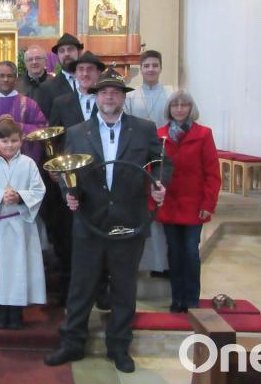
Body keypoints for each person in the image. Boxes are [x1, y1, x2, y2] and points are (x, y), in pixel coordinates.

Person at [43, 73, 171, 374]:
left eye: (115, 92)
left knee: (124, 289)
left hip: (129, 220)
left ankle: (119, 347)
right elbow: (66, 172)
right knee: (81, 287)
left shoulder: (143, 129)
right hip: (90, 221)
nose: (109, 97)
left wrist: (159, 183)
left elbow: (161, 163)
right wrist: (68, 194)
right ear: (95, 97)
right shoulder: (78, 132)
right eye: (103, 93)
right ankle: (72, 343)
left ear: (123, 97)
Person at [0, 118, 47, 329]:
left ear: (21, 141)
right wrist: (0, 196)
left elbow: (38, 190)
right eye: (4, 141)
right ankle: (0, 311)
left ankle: (16, 313)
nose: (9, 145)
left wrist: (20, 196)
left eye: (14, 141)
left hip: (21, 225)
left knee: (18, 269)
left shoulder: (28, 164)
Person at [46, 51, 104, 304]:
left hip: (100, 178)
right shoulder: (62, 102)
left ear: (98, 73)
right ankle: (69, 289)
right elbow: (54, 136)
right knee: (69, 236)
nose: (85, 74)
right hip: (70, 179)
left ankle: (101, 290)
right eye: (80, 70)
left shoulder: (108, 100)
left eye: (90, 69)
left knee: (99, 235)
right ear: (74, 74)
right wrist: (55, 165)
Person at [155, 91, 220, 313]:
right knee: (174, 252)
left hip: (194, 204)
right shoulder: (160, 135)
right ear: (169, 109)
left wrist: (208, 204)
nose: (180, 109)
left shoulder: (203, 134)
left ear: (191, 108)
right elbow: (154, 169)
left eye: (184, 105)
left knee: (191, 252)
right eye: (175, 105)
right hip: (170, 204)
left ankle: (192, 299)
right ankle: (177, 299)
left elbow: (212, 172)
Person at [125, 50, 174, 278]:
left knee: (163, 212)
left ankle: (163, 265)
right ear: (141, 68)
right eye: (147, 66)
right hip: (139, 157)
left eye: (155, 65)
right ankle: (145, 263)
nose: (151, 69)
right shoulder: (131, 96)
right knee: (145, 211)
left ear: (161, 68)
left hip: (165, 152)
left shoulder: (171, 93)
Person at [0, 60, 47, 164]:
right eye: (1, 76)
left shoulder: (30, 104)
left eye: (10, 76)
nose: (6, 79)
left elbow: (42, 129)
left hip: (24, 162)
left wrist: (17, 126)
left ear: (16, 79)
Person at [36, 33, 84, 118]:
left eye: (70, 49)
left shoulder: (92, 82)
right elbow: (45, 121)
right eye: (62, 51)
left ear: (79, 52)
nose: (66, 54)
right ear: (58, 56)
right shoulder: (47, 88)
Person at [15, 45, 51, 110]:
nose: (34, 62)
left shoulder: (56, 83)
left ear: (45, 61)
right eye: (30, 59)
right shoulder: (16, 85)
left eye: (38, 58)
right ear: (25, 63)